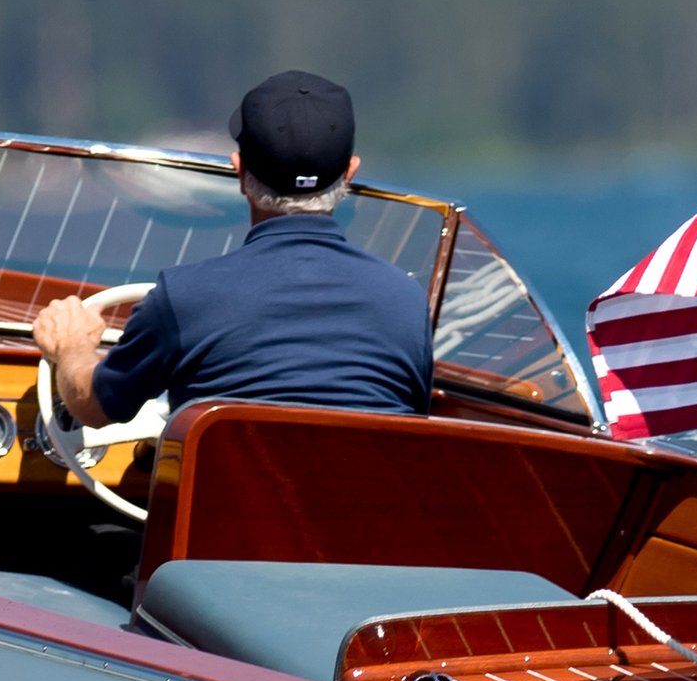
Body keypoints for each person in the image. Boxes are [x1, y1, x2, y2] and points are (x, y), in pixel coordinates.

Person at [30, 71, 433, 428]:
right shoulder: (407, 303)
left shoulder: (184, 298)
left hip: (224, 516)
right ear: (350, 172)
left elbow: (95, 407)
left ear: (240, 173)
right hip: (357, 514)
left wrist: (71, 349)